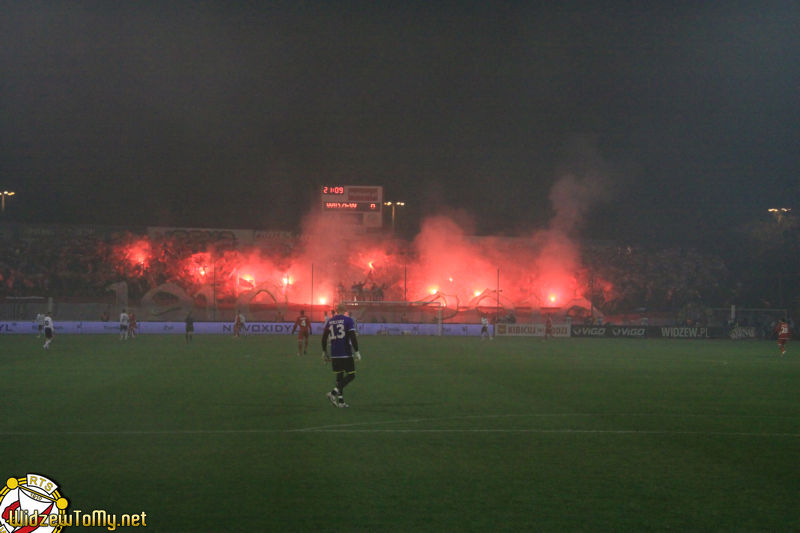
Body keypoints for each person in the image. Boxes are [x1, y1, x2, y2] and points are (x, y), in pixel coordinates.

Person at [322, 303, 362, 408]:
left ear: (336, 310)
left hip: (334, 354)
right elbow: (353, 337)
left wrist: (324, 352)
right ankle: (333, 393)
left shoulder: (330, 321)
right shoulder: (348, 320)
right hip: (345, 353)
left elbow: (324, 338)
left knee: (339, 377)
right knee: (351, 375)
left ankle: (341, 402)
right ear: (345, 310)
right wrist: (357, 351)